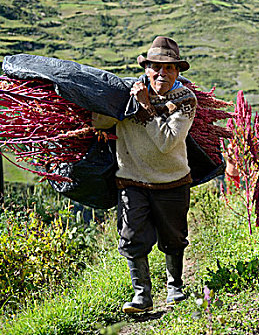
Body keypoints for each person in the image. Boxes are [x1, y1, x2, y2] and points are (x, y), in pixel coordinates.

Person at [92, 36, 197, 313]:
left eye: (169, 68)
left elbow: (167, 142)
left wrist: (145, 106)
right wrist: (113, 101)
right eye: (156, 67)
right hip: (132, 179)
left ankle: (175, 287)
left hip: (172, 180)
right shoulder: (129, 93)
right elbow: (99, 121)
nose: (162, 73)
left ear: (177, 72)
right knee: (131, 235)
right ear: (147, 68)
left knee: (173, 237)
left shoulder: (185, 100)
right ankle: (142, 296)